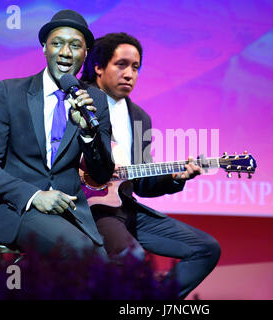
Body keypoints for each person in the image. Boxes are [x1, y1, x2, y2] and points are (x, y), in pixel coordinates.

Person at [80, 32, 221, 299]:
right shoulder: (77, 101)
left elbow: (143, 184)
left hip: (124, 207)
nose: (129, 74)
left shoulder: (139, 118)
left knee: (206, 248)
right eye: (121, 64)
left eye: (135, 67)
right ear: (98, 67)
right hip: (88, 209)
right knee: (132, 258)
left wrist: (177, 178)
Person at [0, 10, 114, 259]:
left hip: (70, 213)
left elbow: (101, 174)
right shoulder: (11, 92)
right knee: (82, 254)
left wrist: (89, 133)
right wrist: (34, 196)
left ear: (85, 53)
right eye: (57, 43)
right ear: (44, 48)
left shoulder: (95, 100)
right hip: (18, 209)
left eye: (75, 46)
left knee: (103, 264)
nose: (65, 53)